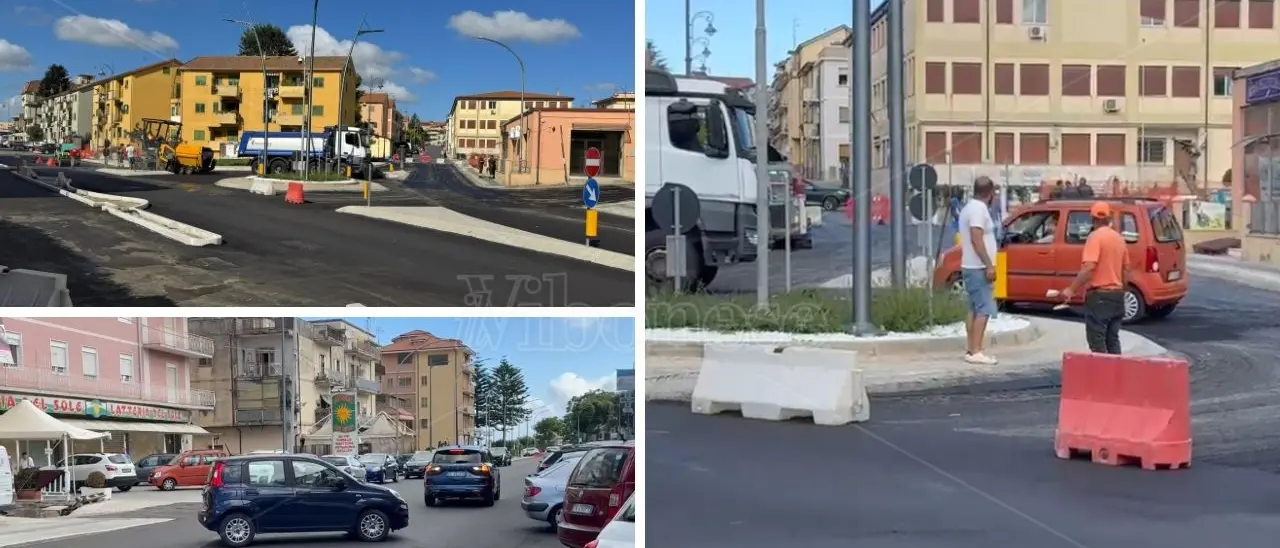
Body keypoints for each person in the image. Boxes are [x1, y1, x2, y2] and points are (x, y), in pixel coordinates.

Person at [1062, 201, 1130, 354]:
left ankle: (1103, 369)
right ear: (1108, 218)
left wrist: (1071, 289)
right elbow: (1126, 270)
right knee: (1112, 340)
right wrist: (1121, 290)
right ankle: (1116, 368)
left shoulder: (1095, 237)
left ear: (1093, 219)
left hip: (1100, 297)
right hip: (1117, 296)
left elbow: (1089, 267)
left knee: (1097, 341)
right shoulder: (1119, 239)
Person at [957, 176, 1000, 365]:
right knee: (984, 309)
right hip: (978, 267)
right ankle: (976, 350)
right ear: (990, 193)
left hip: (971, 265)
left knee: (974, 309)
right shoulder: (978, 209)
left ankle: (971, 348)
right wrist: (989, 264)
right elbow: (977, 238)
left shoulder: (968, 207)